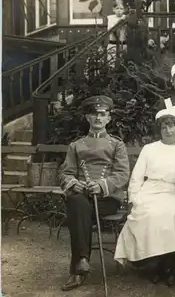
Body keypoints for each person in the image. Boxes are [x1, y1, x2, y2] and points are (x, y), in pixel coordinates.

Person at [114, 108, 175, 286]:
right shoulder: (149, 149)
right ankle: (153, 265)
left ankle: (168, 267)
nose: (168, 130)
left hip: (173, 191)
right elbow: (137, 176)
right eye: (164, 127)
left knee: (174, 216)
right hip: (150, 190)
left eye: (171, 126)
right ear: (160, 130)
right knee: (148, 215)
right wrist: (133, 198)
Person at [59, 95, 130, 291]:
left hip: (108, 198)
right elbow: (66, 173)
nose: (98, 118)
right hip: (82, 196)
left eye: (103, 114)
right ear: (87, 118)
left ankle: (78, 268)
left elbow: (122, 174)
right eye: (94, 114)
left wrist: (101, 185)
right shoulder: (76, 145)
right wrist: (75, 184)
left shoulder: (116, 145)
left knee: (77, 209)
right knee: (78, 202)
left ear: (109, 118)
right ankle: (81, 262)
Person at [107, 0, 127, 68]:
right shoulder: (111, 18)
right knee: (111, 62)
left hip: (123, 44)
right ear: (113, 9)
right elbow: (111, 29)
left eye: (121, 8)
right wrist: (119, 22)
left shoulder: (125, 18)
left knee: (123, 64)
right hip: (113, 44)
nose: (119, 10)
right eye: (117, 8)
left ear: (124, 10)